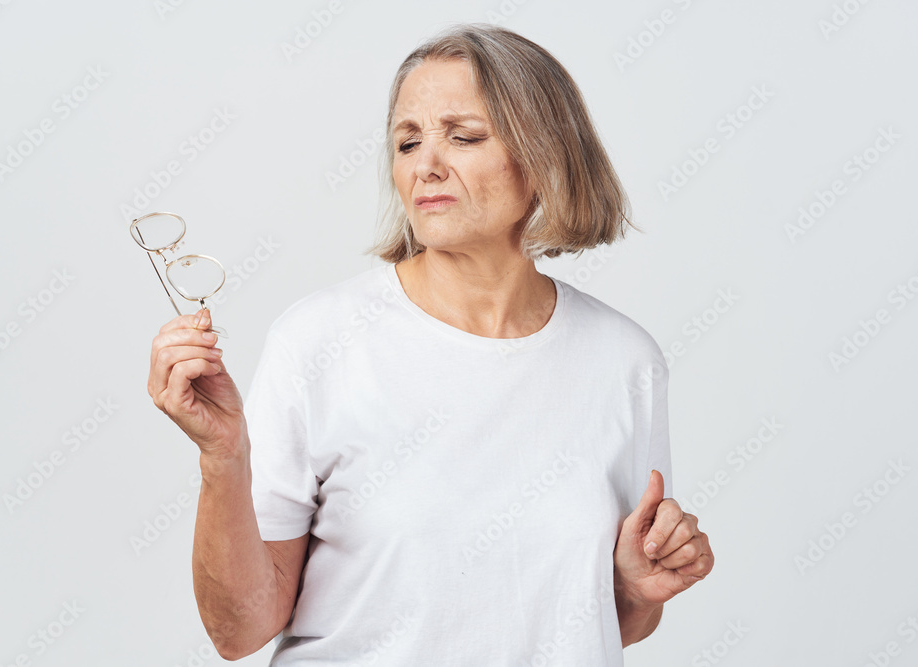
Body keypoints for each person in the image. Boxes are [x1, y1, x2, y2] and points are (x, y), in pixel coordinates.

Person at [147, 22, 713, 665]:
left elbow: (602, 619)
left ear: (546, 157)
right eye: (407, 142)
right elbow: (238, 631)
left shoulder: (624, 361)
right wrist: (223, 457)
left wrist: (637, 591)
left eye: (464, 136)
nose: (426, 165)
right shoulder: (321, 341)